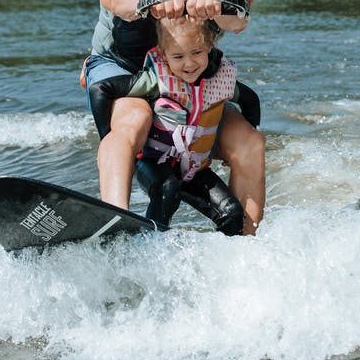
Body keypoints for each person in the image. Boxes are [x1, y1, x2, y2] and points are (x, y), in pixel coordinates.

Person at [84, 0, 265, 235]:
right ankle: (115, 222)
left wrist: (219, 5)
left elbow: (240, 10)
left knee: (250, 143)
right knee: (133, 121)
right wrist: (151, 2)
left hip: (185, 78)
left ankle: (247, 248)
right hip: (127, 74)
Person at [94, 15, 261, 235]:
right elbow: (101, 90)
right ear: (164, 56)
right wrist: (107, 138)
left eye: (197, 53)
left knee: (232, 212)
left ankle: (227, 259)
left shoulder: (222, 81)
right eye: (178, 56)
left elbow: (251, 100)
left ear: (209, 47)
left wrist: (249, 131)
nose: (189, 63)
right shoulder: (155, 80)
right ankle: (150, 247)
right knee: (168, 189)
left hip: (193, 168)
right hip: (153, 162)